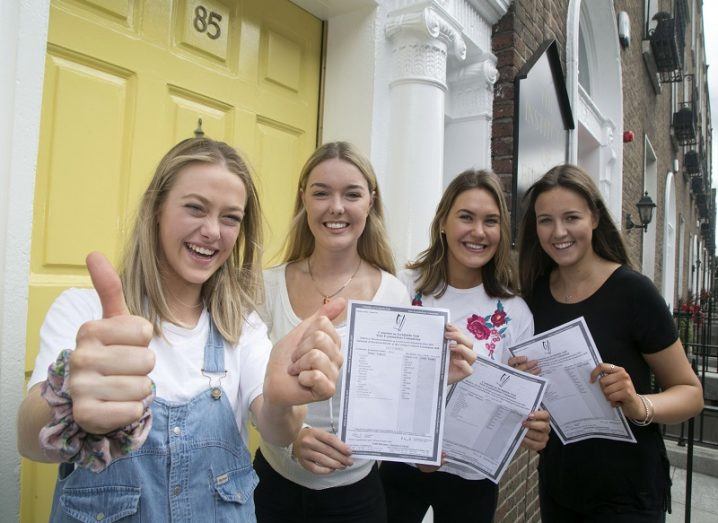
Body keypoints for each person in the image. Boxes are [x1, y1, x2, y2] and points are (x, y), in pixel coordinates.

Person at [17, 137, 344, 522]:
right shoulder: (83, 311)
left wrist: (281, 400)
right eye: (195, 208)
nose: (212, 231)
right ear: (157, 209)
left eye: (230, 218)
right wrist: (70, 401)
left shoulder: (242, 326)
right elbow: (28, 437)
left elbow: (277, 429)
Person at [252, 142, 476, 523]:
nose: (336, 207)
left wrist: (435, 379)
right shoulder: (267, 285)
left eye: (351, 194)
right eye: (321, 192)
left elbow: (393, 398)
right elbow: (249, 384)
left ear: (370, 202)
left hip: (357, 498)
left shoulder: (393, 293)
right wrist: (295, 437)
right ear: (303, 197)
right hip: (274, 487)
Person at [517, 164, 704, 522]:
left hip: (628, 496)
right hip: (560, 486)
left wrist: (639, 405)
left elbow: (690, 392)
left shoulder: (634, 292)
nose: (558, 232)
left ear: (595, 218)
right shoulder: (535, 295)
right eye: (545, 220)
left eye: (571, 217)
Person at [380, 169, 551, 523]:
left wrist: (530, 419)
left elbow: (515, 403)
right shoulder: (404, 289)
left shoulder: (515, 313)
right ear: (443, 221)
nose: (478, 232)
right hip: (401, 465)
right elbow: (379, 376)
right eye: (466, 217)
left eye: (490, 221)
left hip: (472, 476)